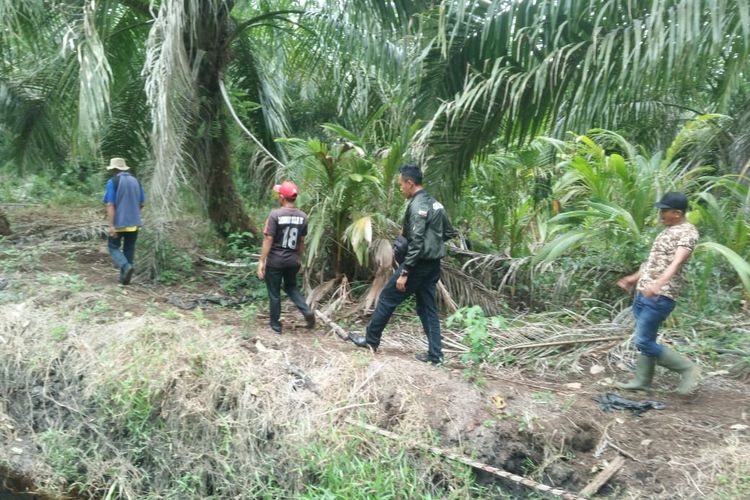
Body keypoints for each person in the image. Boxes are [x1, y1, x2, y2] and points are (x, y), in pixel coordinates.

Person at [350, 164, 457, 364]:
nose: (401, 189)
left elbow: (416, 242)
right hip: (433, 265)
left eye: (401, 184)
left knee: (387, 298)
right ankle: (436, 355)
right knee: (427, 309)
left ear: (410, 182)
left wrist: (405, 272)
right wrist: (432, 246)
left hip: (416, 266)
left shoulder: (417, 207)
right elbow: (449, 232)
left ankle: (371, 341)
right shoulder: (435, 204)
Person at [616, 191, 700, 396]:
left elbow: (677, 261)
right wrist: (633, 279)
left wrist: (658, 285)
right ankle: (642, 380)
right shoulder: (667, 231)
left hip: (661, 295)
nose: (660, 215)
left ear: (677, 213)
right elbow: (652, 263)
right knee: (647, 338)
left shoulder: (687, 232)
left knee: (643, 341)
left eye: (664, 211)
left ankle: (689, 369)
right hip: (644, 292)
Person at [257, 181, 315, 334]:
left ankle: (276, 326)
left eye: (278, 195)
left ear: (282, 198)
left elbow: (268, 239)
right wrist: (299, 259)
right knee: (291, 287)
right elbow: (301, 241)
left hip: (275, 261)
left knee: (274, 292)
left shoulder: (275, 215)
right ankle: (307, 311)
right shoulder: (303, 217)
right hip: (292, 260)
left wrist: (261, 261)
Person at [102, 158, 144, 285]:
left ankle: (125, 266)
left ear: (114, 169)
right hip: (134, 223)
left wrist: (111, 225)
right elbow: (142, 203)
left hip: (119, 223)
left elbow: (110, 204)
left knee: (113, 247)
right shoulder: (136, 181)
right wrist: (133, 213)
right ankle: (125, 280)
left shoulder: (112, 182)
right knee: (129, 248)